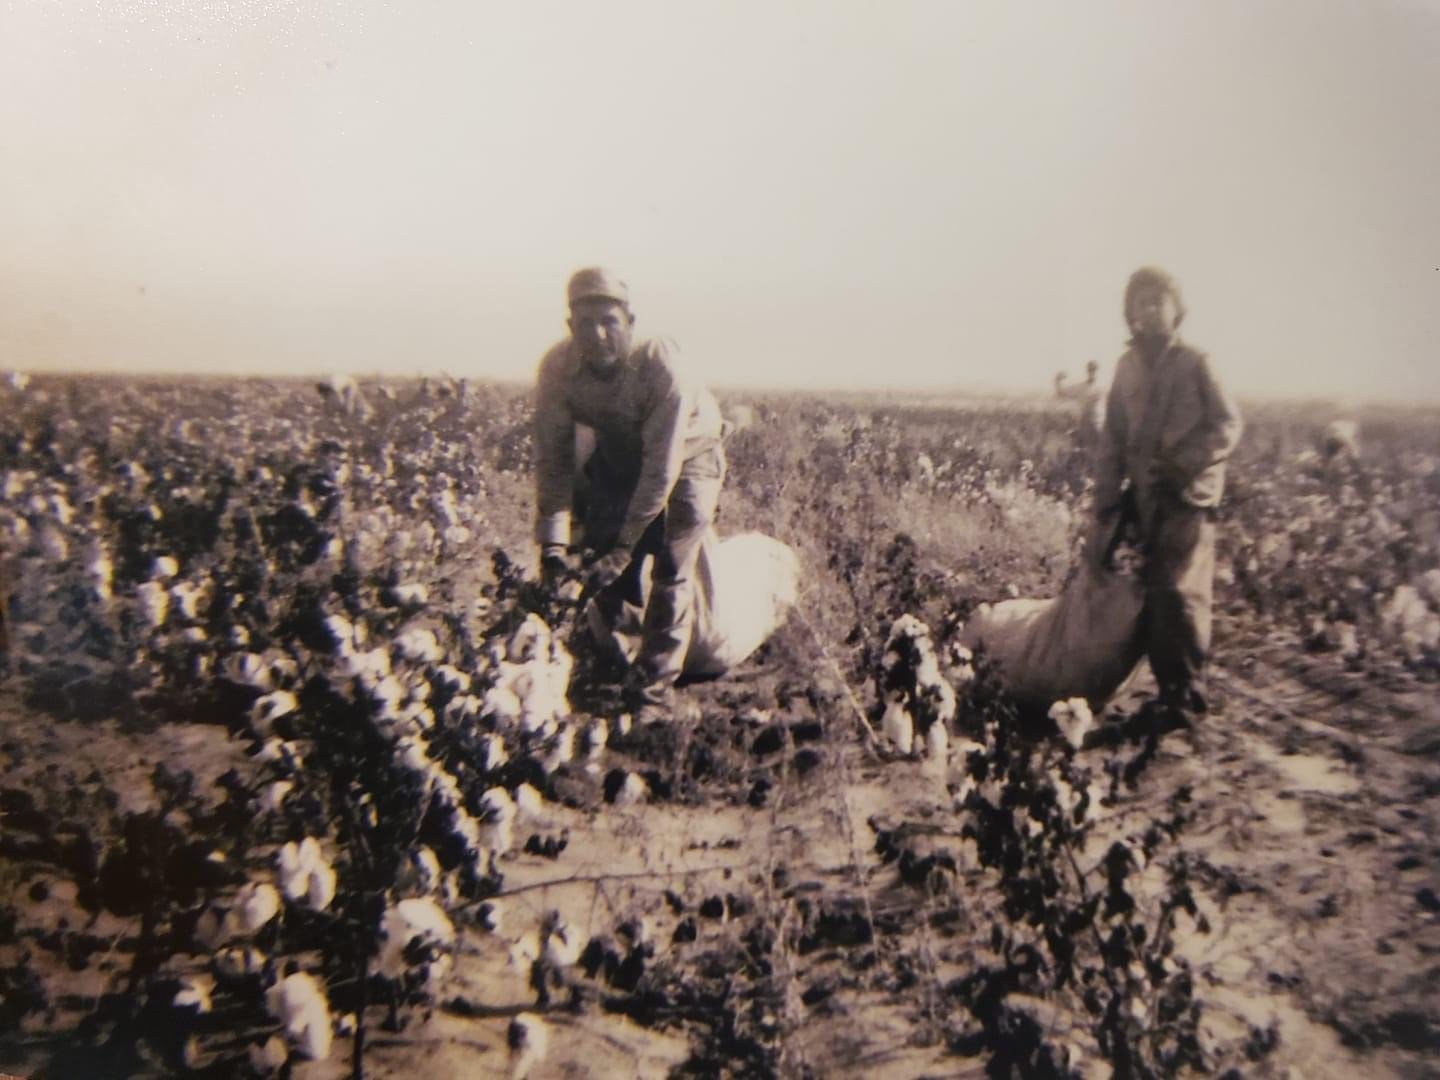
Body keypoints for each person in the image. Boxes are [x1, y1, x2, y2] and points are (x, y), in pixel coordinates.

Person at [532, 268, 726, 720]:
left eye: (609, 322)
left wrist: (625, 547)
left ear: (630, 322)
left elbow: (662, 471)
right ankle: (610, 658)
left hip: (690, 450)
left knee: (672, 564)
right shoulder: (557, 369)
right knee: (594, 547)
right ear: (570, 328)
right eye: (585, 324)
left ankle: (652, 693)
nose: (597, 335)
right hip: (623, 452)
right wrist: (554, 543)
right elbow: (554, 462)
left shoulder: (661, 364)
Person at [1089, 267, 1243, 727]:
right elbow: (1113, 439)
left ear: (1177, 309)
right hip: (1145, 496)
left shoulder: (1196, 362)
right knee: (1155, 592)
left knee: (1182, 595)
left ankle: (1188, 695)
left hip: (1187, 495)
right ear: (1129, 314)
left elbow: (1227, 425)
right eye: (1140, 303)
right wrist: (1105, 499)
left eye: (1158, 301)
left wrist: (1185, 463)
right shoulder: (1126, 367)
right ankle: (1168, 692)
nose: (1149, 310)